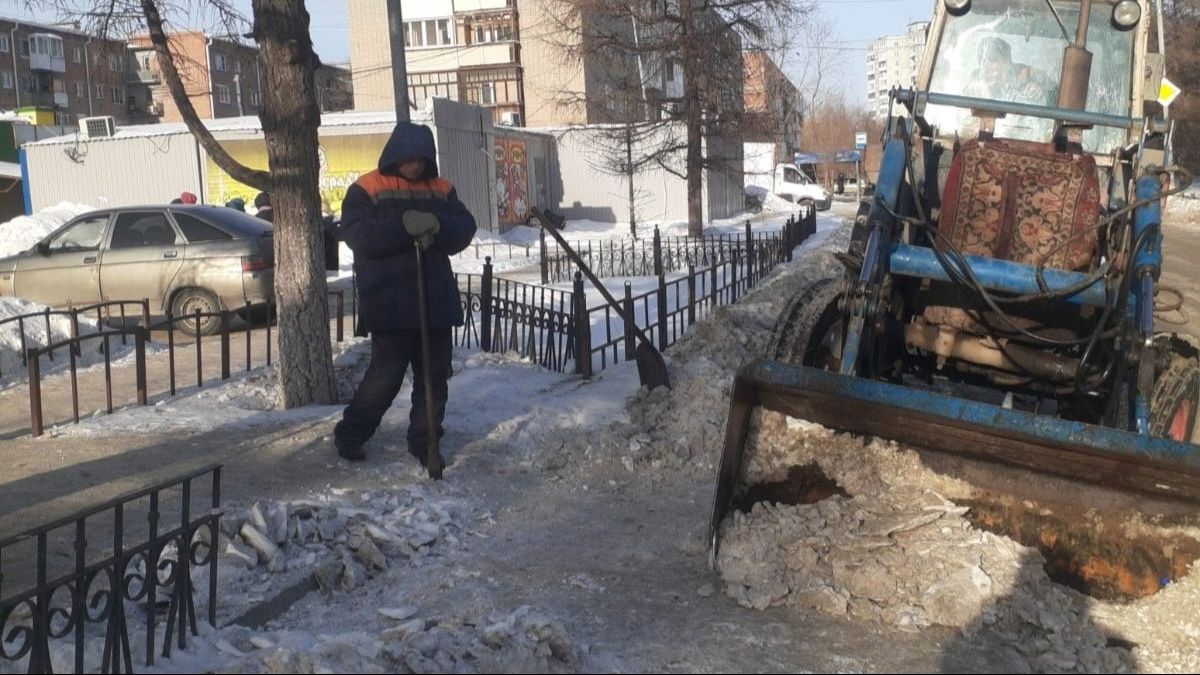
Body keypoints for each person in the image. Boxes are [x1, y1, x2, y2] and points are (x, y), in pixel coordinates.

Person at [333, 121, 477, 464]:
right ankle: (351, 434)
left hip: (434, 299)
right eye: (409, 159)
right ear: (395, 155)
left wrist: (438, 226)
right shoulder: (366, 188)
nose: (415, 166)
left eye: (422, 160)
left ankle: (426, 442)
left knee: (434, 380)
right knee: (385, 378)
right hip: (390, 300)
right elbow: (359, 237)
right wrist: (404, 228)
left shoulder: (442, 188)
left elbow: (464, 228)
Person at [965, 36, 1053, 106]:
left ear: (1007, 63)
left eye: (993, 60)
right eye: (983, 61)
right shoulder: (973, 87)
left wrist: (1040, 94)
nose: (986, 66)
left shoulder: (1024, 83)